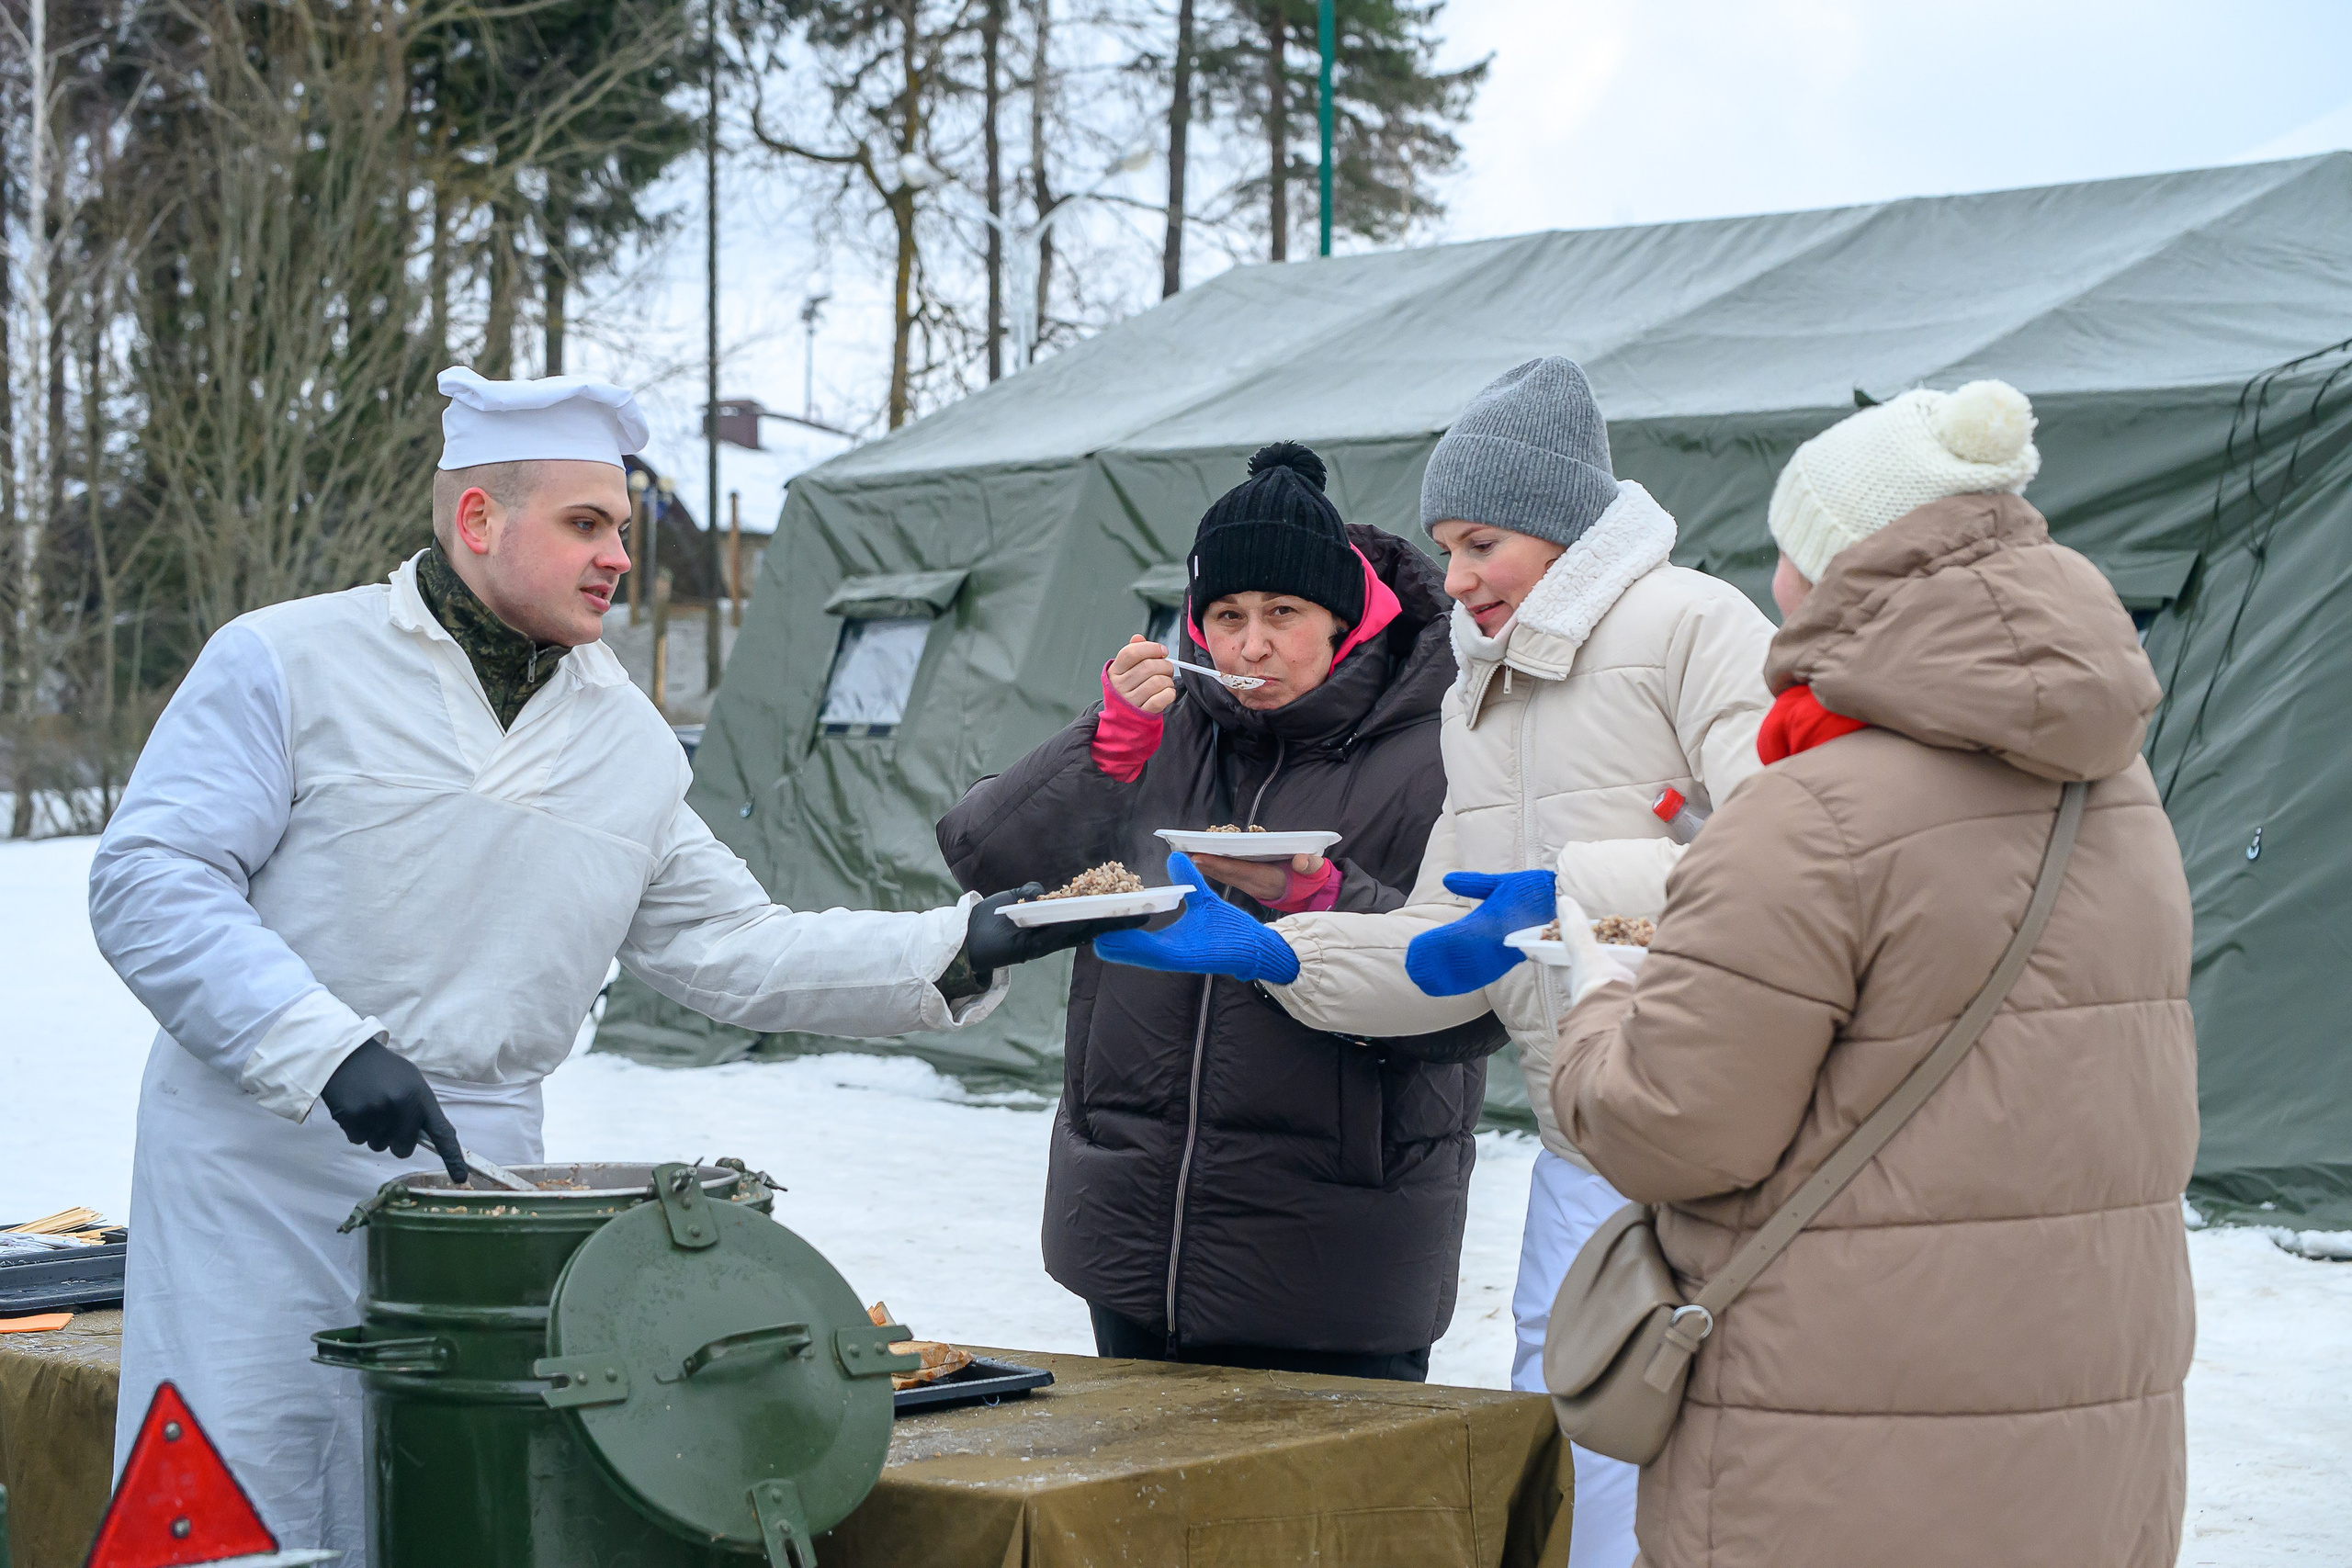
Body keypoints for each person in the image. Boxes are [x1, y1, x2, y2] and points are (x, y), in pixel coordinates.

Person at [86, 367, 1135, 1559]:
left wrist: (961, 942)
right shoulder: (287, 664)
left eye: (621, 529)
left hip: (478, 1189)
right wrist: (321, 1045)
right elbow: (151, 880)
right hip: (254, 1171)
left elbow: (732, 945)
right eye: (587, 523)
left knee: (455, 1501)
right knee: (250, 1493)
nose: (618, 557)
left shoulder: (624, 741)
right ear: (479, 518)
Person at [1091, 360, 1773, 1567]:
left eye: (1480, 543)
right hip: (1589, 1127)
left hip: (1737, 1126)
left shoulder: (1695, 624)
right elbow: (1437, 936)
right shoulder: (1480, 690)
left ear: (1565, 524)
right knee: (1579, 1434)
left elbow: (1802, 845)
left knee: (1738, 1456)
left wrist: (1575, 891)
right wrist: (1279, 948)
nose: (1452, 578)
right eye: (1446, 547)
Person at [1545, 381, 2197, 1567]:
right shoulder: (2122, 795)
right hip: (2085, 1449)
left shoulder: (1807, 813)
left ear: (1829, 564)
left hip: (1826, 1456)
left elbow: (1672, 1128)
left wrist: (1599, 1000)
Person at [937, 442, 1502, 1381]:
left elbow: (1471, 1001)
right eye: (1226, 616)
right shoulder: (1163, 724)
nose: (1249, 646)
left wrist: (1318, 901)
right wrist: (1106, 746)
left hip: (1335, 1256)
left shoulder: (1445, 742)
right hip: (1130, 1240)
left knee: (1327, 1527)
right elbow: (989, 860)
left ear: (1346, 616)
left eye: (1283, 613)